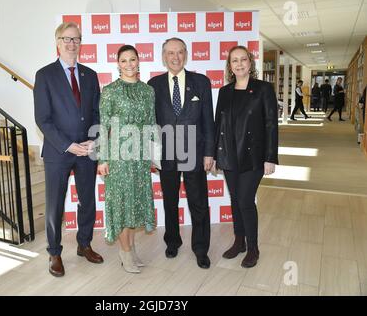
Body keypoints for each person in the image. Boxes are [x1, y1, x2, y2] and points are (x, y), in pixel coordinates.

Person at [34, 22, 103, 278]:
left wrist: (93, 141)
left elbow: (97, 112)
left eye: (76, 39)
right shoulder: (45, 75)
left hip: (86, 150)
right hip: (58, 151)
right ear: (58, 43)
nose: (72, 44)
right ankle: (54, 252)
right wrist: (67, 145)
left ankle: (84, 244)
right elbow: (43, 119)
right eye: (67, 39)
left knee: (88, 200)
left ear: (80, 43)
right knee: (54, 206)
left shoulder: (90, 74)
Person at [148, 38, 215, 269]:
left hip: (195, 154)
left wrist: (209, 153)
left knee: (198, 202)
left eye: (179, 52)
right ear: (163, 56)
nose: (175, 57)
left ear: (186, 54)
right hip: (166, 155)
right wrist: (151, 155)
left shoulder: (201, 82)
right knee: (170, 202)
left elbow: (208, 120)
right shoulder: (153, 84)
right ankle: (172, 242)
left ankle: (200, 248)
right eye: (170, 53)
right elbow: (151, 124)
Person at [213, 45, 278, 268]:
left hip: (253, 157)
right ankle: (239, 242)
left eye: (243, 59)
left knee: (245, 201)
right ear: (229, 66)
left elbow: (271, 125)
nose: (239, 64)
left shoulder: (263, 89)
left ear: (250, 63)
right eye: (234, 61)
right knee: (235, 200)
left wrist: (270, 157)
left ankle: (253, 248)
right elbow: (217, 125)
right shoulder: (224, 91)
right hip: (230, 156)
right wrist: (214, 155)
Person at [97, 45, 157, 274]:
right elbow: (103, 126)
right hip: (118, 155)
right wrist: (102, 159)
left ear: (139, 61)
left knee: (135, 203)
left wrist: (152, 154)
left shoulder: (147, 91)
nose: (129, 64)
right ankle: (124, 253)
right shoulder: (110, 91)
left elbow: (151, 124)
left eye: (133, 59)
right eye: (124, 60)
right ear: (118, 64)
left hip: (140, 156)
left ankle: (131, 249)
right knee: (122, 204)